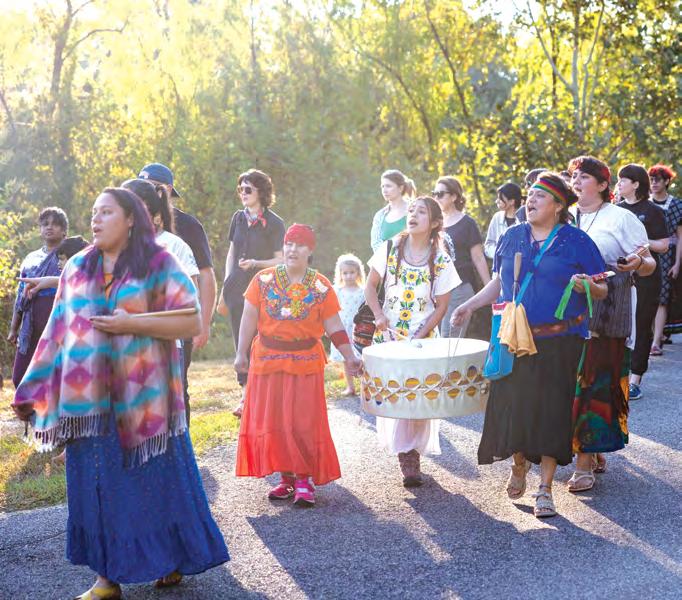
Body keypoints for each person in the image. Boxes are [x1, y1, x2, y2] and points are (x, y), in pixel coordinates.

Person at [13, 187, 228, 599]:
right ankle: (106, 579)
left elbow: (190, 321)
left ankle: (169, 558)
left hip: (146, 402)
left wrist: (132, 323)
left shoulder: (157, 262)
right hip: (87, 404)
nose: (96, 219)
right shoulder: (77, 267)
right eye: (94, 212)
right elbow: (56, 331)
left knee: (153, 487)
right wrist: (31, 388)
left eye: (107, 212)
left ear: (131, 219)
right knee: (96, 488)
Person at [453, 172, 607, 518]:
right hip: (514, 338)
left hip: (560, 340)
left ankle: (545, 489)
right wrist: (470, 305)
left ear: (558, 205)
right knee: (515, 406)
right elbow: (499, 281)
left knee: (552, 411)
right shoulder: (512, 236)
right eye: (530, 195)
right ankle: (519, 463)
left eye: (540, 196)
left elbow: (603, 288)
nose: (531, 201)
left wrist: (587, 286)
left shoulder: (576, 241)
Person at [234, 224, 362, 507]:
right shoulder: (263, 280)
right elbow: (248, 317)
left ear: (310, 250)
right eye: (289, 243)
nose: (293, 249)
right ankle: (286, 479)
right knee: (276, 420)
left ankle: (304, 479)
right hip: (268, 359)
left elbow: (334, 326)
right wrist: (240, 353)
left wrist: (350, 356)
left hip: (305, 361)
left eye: (300, 244)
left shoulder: (320, 286)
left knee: (303, 421)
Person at [568, 156, 656, 492]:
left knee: (594, 383)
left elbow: (648, 262)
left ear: (604, 185)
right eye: (574, 176)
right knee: (569, 382)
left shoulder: (620, 217)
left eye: (584, 177)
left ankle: (584, 462)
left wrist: (637, 262)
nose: (576, 181)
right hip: (567, 311)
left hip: (609, 308)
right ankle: (591, 446)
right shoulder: (564, 216)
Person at [365, 197, 460, 487]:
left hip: (424, 339)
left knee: (418, 397)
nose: (413, 215)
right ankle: (405, 452)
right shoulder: (389, 248)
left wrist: (420, 335)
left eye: (421, 212)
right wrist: (379, 315)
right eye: (411, 210)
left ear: (434, 223)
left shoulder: (441, 259)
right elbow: (370, 286)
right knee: (396, 394)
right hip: (390, 335)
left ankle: (411, 455)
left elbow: (442, 306)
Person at [137, 163, 216, 419]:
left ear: (167, 189)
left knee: (177, 387)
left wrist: (203, 323)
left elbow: (205, 275)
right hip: (138, 324)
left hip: (178, 321)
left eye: (151, 186)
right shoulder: (129, 225)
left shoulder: (188, 226)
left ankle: (182, 439)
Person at [122, 178, 200, 420]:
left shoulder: (173, 246)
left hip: (164, 345)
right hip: (121, 345)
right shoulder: (114, 246)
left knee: (165, 414)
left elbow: (190, 303)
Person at [221, 169, 286, 417]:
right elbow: (231, 253)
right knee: (241, 340)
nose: (243, 193)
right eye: (240, 189)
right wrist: (226, 282)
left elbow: (281, 260)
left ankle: (264, 394)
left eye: (248, 189)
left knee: (261, 339)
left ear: (261, 191)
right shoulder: (237, 218)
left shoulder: (275, 222)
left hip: (264, 288)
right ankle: (245, 395)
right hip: (236, 287)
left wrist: (256, 264)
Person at [616, 164, 668, 400]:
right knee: (620, 325)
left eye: (623, 180)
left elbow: (663, 245)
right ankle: (617, 376)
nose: (619, 184)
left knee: (641, 326)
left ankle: (635, 379)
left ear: (636, 184)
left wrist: (641, 243)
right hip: (620, 276)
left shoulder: (652, 210)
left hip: (647, 276)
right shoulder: (616, 210)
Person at [7, 207, 68, 388]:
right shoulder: (31, 258)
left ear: (64, 231)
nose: (49, 227)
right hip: (31, 323)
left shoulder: (70, 256)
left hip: (58, 321)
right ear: (40, 229)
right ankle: (27, 405)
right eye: (45, 224)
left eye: (55, 224)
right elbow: (21, 297)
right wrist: (14, 328)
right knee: (20, 377)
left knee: (54, 375)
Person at [432, 176, 490, 336]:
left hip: (460, 287)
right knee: (436, 339)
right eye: (434, 193)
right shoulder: (434, 223)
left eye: (440, 194)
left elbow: (478, 258)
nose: (436, 198)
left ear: (454, 196)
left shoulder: (467, 223)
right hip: (436, 290)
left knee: (449, 339)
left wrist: (489, 289)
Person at [650, 165, 682, 352]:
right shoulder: (644, 203)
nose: (654, 183)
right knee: (645, 298)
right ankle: (649, 337)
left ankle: (656, 342)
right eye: (651, 180)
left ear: (667, 181)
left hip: (667, 256)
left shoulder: (677, 205)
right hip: (646, 253)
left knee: (662, 298)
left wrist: (677, 263)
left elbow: (680, 237)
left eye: (658, 180)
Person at [329, 253, 366, 395]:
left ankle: (365, 385)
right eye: (345, 273)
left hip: (358, 330)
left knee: (362, 358)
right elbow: (331, 311)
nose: (349, 276)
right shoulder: (337, 291)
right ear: (340, 274)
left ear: (358, 273)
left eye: (352, 272)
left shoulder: (363, 291)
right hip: (343, 328)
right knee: (346, 358)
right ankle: (350, 387)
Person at [370, 169, 415, 252]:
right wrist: (389, 256)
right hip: (385, 259)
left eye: (388, 186)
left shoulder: (414, 210)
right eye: (382, 186)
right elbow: (375, 244)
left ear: (400, 188)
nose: (384, 190)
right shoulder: (380, 215)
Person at [484, 183, 521, 259]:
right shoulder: (497, 217)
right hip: (500, 265)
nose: (497, 201)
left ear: (511, 201)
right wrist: (498, 253)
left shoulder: (523, 220)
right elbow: (488, 245)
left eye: (500, 198)